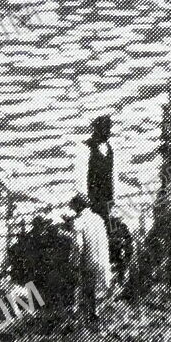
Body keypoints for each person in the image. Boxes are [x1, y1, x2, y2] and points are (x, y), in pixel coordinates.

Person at [70, 193, 112, 325]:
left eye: (74, 206)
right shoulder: (98, 219)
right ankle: (95, 315)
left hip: (88, 260)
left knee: (84, 288)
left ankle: (84, 319)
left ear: (79, 206)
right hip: (101, 259)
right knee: (95, 289)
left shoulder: (78, 222)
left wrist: (74, 263)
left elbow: (78, 245)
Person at [86, 115, 114, 217]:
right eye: (105, 128)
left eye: (109, 128)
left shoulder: (109, 148)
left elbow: (111, 175)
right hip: (93, 200)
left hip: (106, 199)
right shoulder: (89, 148)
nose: (108, 132)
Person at [107, 208, 134, 288]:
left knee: (120, 276)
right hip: (114, 257)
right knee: (114, 276)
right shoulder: (109, 228)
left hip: (120, 257)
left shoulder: (123, 228)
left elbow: (129, 241)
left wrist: (122, 245)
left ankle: (119, 285)